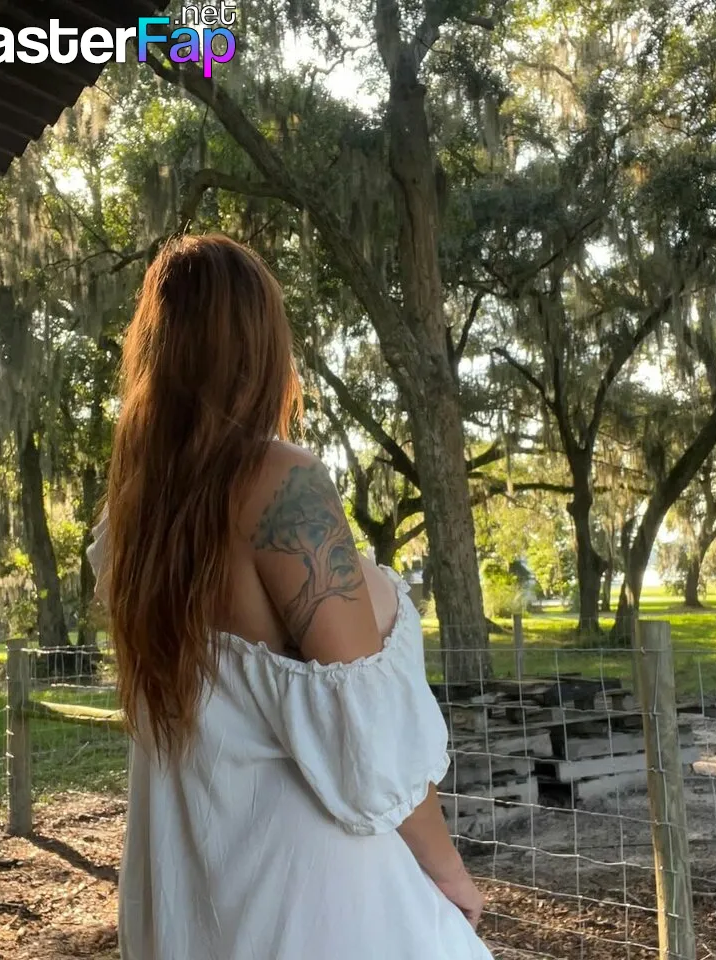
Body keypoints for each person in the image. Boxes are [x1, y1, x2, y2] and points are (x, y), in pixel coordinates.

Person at [86, 234, 493, 960]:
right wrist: (448, 871)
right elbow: (368, 737)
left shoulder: (132, 522)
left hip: (193, 904)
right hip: (323, 909)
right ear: (263, 345)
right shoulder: (279, 482)